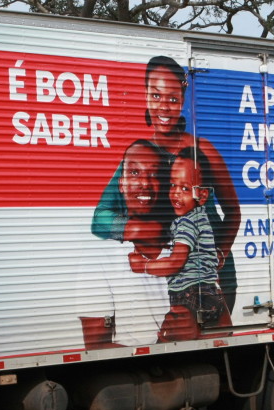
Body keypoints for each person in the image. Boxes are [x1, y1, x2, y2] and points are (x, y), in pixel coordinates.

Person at [92, 56, 242, 314]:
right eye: (156, 95)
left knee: (214, 332)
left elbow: (233, 212)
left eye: (173, 99)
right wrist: (141, 229)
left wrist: (221, 251)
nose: (164, 107)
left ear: (182, 100)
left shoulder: (203, 150)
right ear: (146, 96)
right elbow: (100, 219)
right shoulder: (139, 156)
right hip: (171, 280)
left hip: (214, 279)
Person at [129, 147, 229, 338]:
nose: (175, 193)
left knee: (167, 343)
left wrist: (144, 265)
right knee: (216, 338)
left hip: (190, 295)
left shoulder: (187, 222)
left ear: (203, 196)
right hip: (209, 293)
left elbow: (176, 262)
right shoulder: (200, 217)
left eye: (184, 188)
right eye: (173, 185)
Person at [81, 141, 171, 348]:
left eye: (154, 174)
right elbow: (96, 346)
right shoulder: (99, 259)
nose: (145, 183)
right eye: (135, 173)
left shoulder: (186, 246)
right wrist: (141, 230)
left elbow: (221, 325)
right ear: (121, 184)